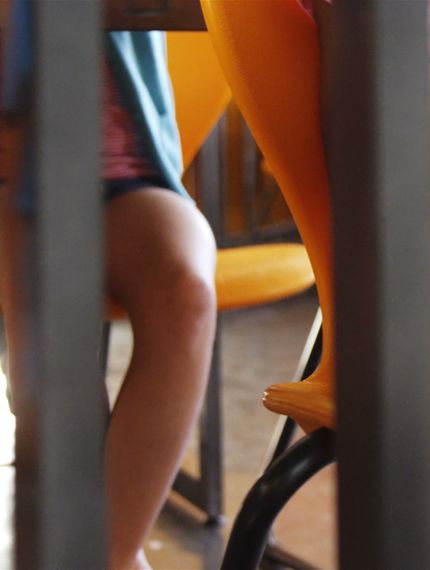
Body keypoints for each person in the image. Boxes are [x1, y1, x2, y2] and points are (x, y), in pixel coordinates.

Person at [0, 31, 217, 570]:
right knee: (51, 322)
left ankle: (110, 556)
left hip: (129, 176)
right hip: (13, 185)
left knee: (184, 290)